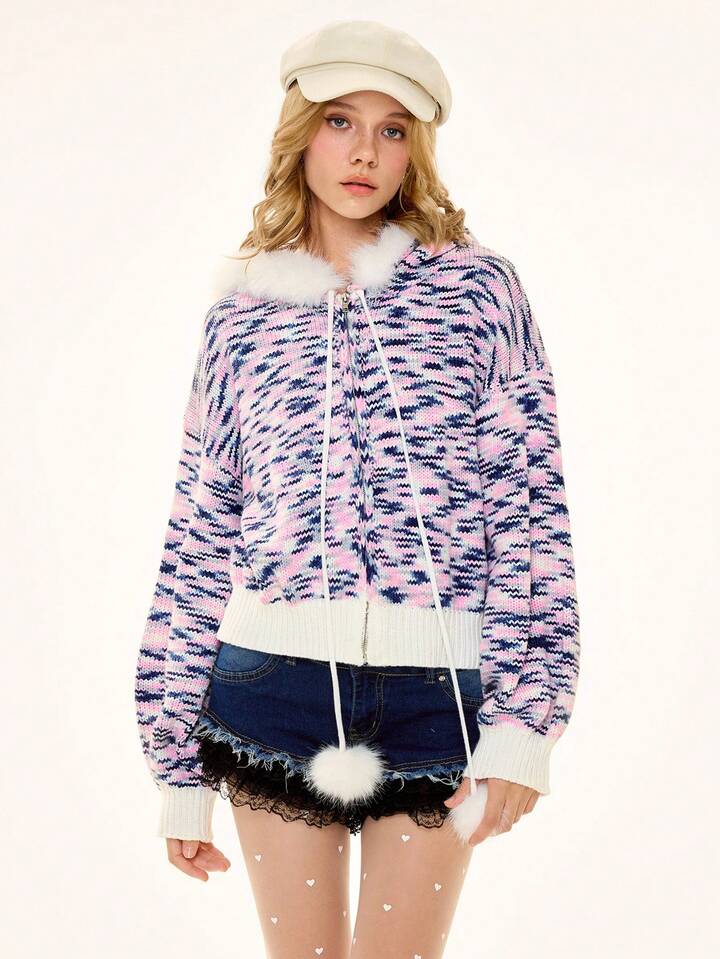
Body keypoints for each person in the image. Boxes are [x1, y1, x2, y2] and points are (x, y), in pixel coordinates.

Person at [135, 18, 581, 958]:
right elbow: (199, 534)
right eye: (340, 121)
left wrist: (525, 723)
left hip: (439, 696)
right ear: (301, 134)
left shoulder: (479, 294)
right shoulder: (242, 318)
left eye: (391, 129)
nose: (364, 152)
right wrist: (174, 761)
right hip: (271, 689)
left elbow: (530, 514)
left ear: (417, 149)